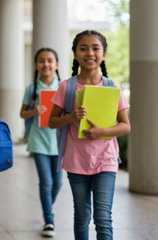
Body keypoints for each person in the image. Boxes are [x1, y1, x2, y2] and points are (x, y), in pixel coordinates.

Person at [49, 30, 131, 240]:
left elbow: (125, 126)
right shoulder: (66, 87)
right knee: (82, 216)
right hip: (77, 161)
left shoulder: (112, 87)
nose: (90, 53)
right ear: (75, 54)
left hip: (106, 160)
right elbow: (52, 121)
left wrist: (103, 132)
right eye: (83, 48)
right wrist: (71, 117)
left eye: (96, 48)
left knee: (103, 218)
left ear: (104, 54)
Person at [20, 47, 62, 237]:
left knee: (58, 183)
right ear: (36, 65)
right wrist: (34, 111)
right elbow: (22, 113)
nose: (46, 64)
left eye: (50, 60)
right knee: (46, 182)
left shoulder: (64, 87)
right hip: (39, 141)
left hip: (60, 142)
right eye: (41, 60)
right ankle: (49, 220)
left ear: (56, 64)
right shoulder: (32, 89)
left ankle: (47, 208)